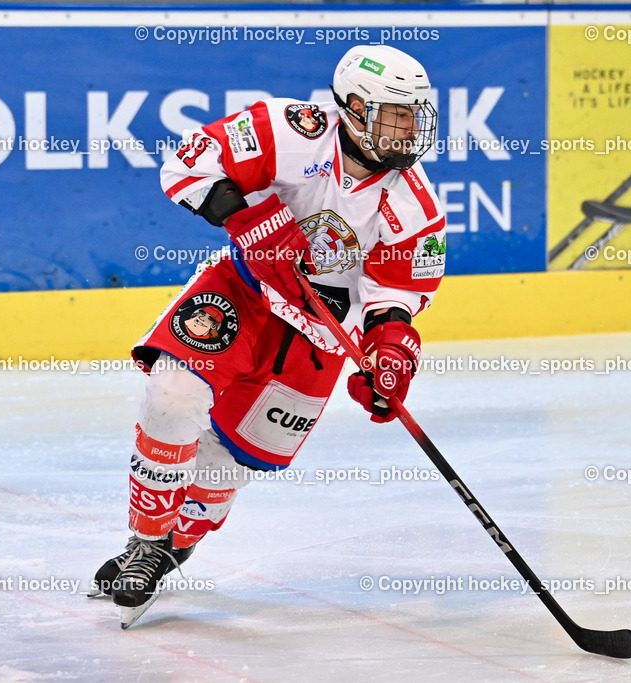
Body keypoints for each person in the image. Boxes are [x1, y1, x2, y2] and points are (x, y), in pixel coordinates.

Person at [90, 44, 447, 629]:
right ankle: (145, 544)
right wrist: (249, 219)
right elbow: (187, 163)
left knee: (227, 464)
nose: (409, 129)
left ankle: (175, 546)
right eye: (395, 114)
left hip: (322, 341)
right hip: (244, 293)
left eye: (414, 115)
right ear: (354, 109)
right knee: (174, 393)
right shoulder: (290, 131)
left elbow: (397, 298)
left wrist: (390, 355)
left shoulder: (417, 205)